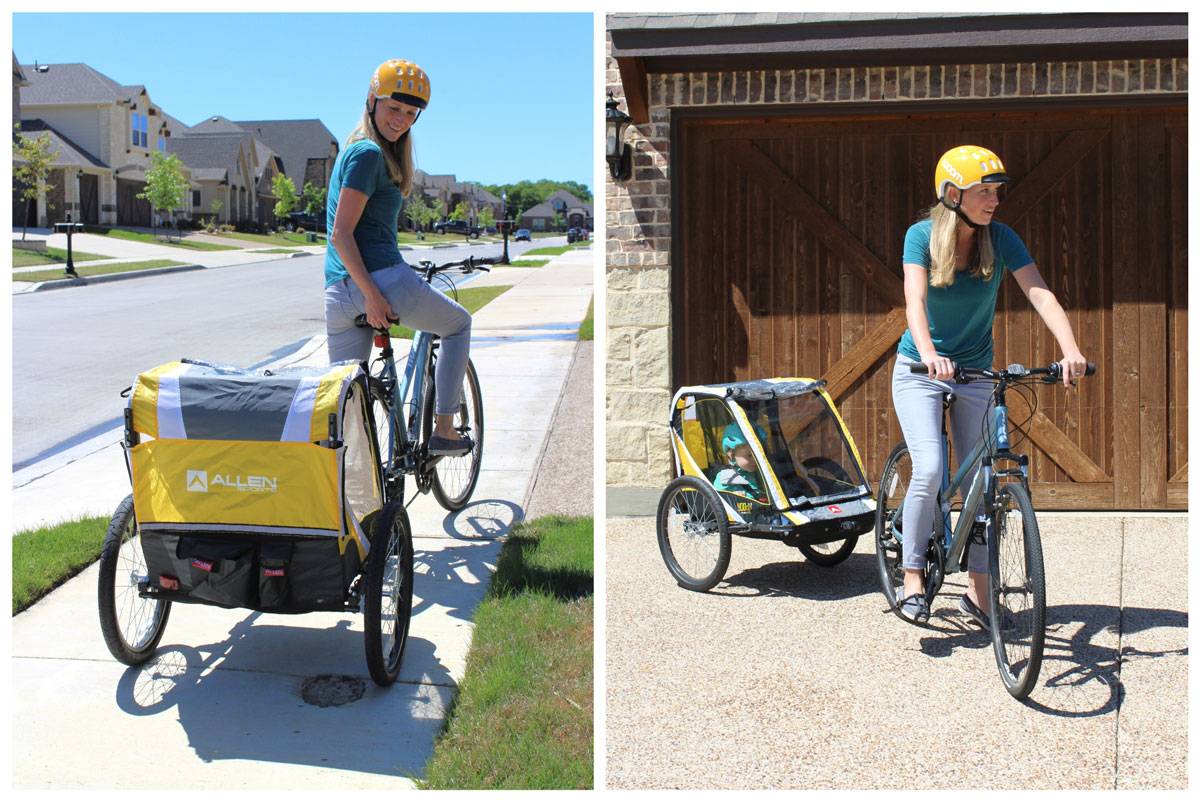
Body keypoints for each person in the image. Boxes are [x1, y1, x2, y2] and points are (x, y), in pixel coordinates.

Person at [892, 145, 1088, 625]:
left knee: (984, 481)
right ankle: (913, 573)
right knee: (932, 468)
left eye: (997, 191)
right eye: (985, 191)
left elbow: (1039, 291)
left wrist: (1070, 349)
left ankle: (980, 595)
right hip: (921, 369)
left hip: (976, 370)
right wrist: (932, 354)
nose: (994, 200)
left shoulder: (1000, 239)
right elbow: (914, 301)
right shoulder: (920, 237)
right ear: (953, 193)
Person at [323, 59, 473, 456]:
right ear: (372, 100)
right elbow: (342, 234)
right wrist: (373, 294)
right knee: (458, 325)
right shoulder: (369, 154)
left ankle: (358, 496)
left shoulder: (353, 151)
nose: (402, 120)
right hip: (379, 281)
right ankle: (444, 428)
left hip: (336, 296)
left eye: (411, 114)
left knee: (346, 404)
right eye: (394, 108)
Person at [712, 423, 768, 503]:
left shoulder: (762, 472)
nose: (755, 460)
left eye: (758, 455)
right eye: (749, 455)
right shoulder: (726, 477)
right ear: (731, 455)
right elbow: (717, 503)